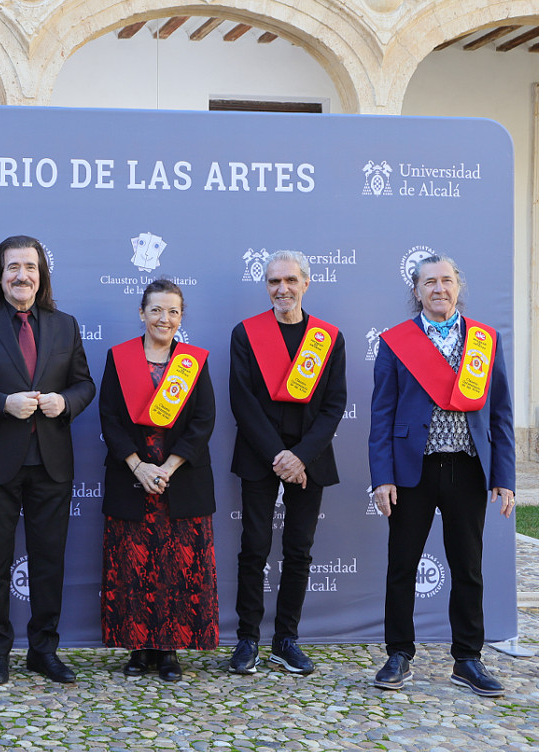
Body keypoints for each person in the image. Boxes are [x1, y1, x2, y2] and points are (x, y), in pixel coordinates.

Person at [0, 235, 96, 686]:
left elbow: (85, 385)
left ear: (41, 275)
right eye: (13, 267)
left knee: (49, 561)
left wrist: (64, 403)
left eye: (30, 267)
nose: (22, 276)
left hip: (51, 462)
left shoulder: (65, 325)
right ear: (0, 274)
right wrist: (1, 404)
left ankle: (43, 651)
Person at [370, 255, 515, 697]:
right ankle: (399, 654)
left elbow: (501, 413)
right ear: (416, 291)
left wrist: (504, 475)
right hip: (414, 470)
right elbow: (381, 414)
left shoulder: (484, 341)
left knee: (468, 567)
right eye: (429, 282)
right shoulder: (396, 342)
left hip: (469, 469)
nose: (439, 288)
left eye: (446, 280)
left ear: (458, 286)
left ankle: (467, 659)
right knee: (402, 565)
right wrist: (382, 476)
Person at [227, 250, 346, 676]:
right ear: (267, 287)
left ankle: (285, 639)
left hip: (308, 459)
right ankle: (247, 640)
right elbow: (241, 401)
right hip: (263, 456)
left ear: (306, 284)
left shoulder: (328, 338)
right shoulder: (246, 334)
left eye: (291, 281)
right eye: (275, 282)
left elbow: (334, 405)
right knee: (254, 548)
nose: (283, 289)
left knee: (299, 550)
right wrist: (279, 456)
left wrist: (300, 456)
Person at [98, 279, 217, 682]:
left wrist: (167, 468)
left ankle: (169, 651)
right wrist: (138, 466)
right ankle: (138, 647)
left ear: (181, 317)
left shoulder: (193, 362)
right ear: (141, 313)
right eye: (156, 310)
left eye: (172, 312)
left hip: (179, 481)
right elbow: (109, 419)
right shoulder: (119, 359)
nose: (164, 319)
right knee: (133, 569)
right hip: (132, 479)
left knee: (176, 568)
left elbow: (203, 421)